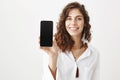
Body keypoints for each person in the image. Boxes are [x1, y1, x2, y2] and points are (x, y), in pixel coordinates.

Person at [40, 1, 99, 80]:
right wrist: (53, 57)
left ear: (85, 23)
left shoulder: (93, 54)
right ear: (64, 22)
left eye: (78, 19)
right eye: (69, 18)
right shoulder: (53, 49)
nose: (73, 23)